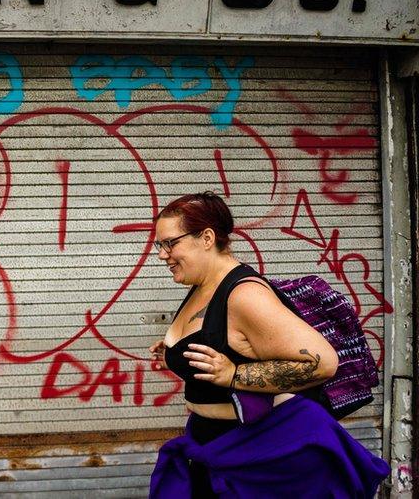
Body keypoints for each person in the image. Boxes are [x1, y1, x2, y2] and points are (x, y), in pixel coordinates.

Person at [147, 192, 389, 497]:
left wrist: (234, 375)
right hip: (215, 448)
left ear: (206, 238)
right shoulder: (203, 285)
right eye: (160, 245)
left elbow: (322, 362)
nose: (161, 254)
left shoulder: (244, 294)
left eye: (170, 243)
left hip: (262, 458)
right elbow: (232, 342)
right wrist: (176, 353)